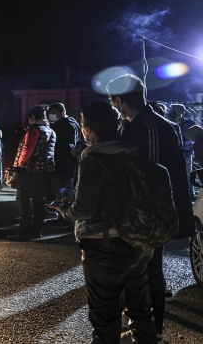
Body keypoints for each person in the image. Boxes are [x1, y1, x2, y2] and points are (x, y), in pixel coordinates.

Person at [51, 101, 156, 344]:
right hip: (140, 240)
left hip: (106, 245)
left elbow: (84, 209)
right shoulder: (134, 151)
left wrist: (65, 209)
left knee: (105, 314)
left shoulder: (94, 160)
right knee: (140, 306)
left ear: (88, 129)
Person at [107, 74, 195, 344]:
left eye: (112, 101)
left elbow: (153, 174)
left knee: (150, 270)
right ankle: (139, 322)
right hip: (140, 211)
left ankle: (153, 330)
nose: (112, 106)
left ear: (119, 100)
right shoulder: (137, 124)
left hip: (150, 213)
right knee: (137, 269)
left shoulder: (150, 125)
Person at [7, 104, 56, 242]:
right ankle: (37, 230)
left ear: (33, 117)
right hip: (45, 170)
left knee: (23, 200)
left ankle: (24, 232)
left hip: (31, 171)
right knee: (38, 200)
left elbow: (27, 149)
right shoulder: (50, 130)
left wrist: (19, 164)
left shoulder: (34, 130)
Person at [46, 102, 81, 228]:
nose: (51, 115)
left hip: (63, 165)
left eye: (54, 113)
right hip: (69, 165)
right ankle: (63, 217)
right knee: (65, 191)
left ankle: (64, 218)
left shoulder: (63, 126)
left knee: (63, 192)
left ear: (62, 113)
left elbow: (64, 148)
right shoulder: (73, 123)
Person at [170, 103, 196, 201]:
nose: (172, 111)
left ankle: (190, 196)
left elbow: (195, 135)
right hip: (173, 153)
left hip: (186, 152)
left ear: (181, 111)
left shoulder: (189, 123)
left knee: (188, 174)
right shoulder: (168, 121)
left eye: (175, 109)